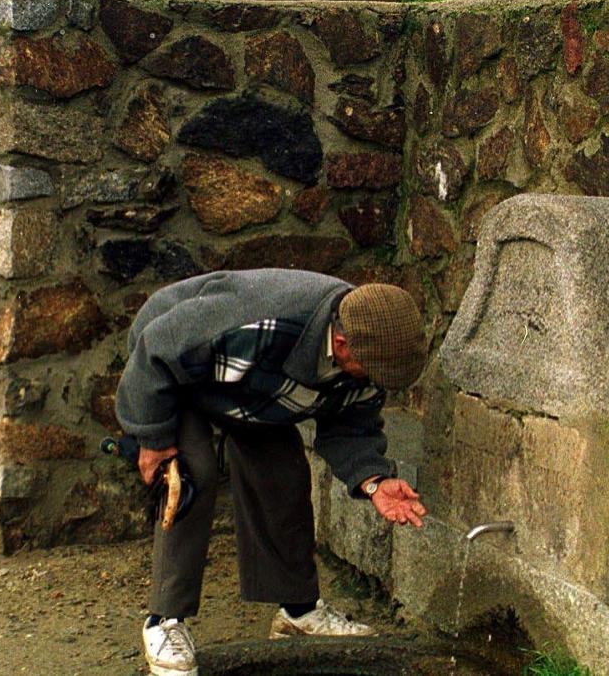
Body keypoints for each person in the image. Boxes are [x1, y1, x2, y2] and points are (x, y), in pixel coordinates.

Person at [114, 268, 429, 676]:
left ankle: (298, 613)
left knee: (283, 473)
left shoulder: (372, 351)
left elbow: (352, 426)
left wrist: (374, 481)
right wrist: (152, 437)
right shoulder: (259, 317)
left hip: (252, 386)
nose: (373, 382)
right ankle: (164, 622)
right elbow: (156, 349)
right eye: (368, 372)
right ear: (340, 342)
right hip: (174, 369)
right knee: (192, 475)